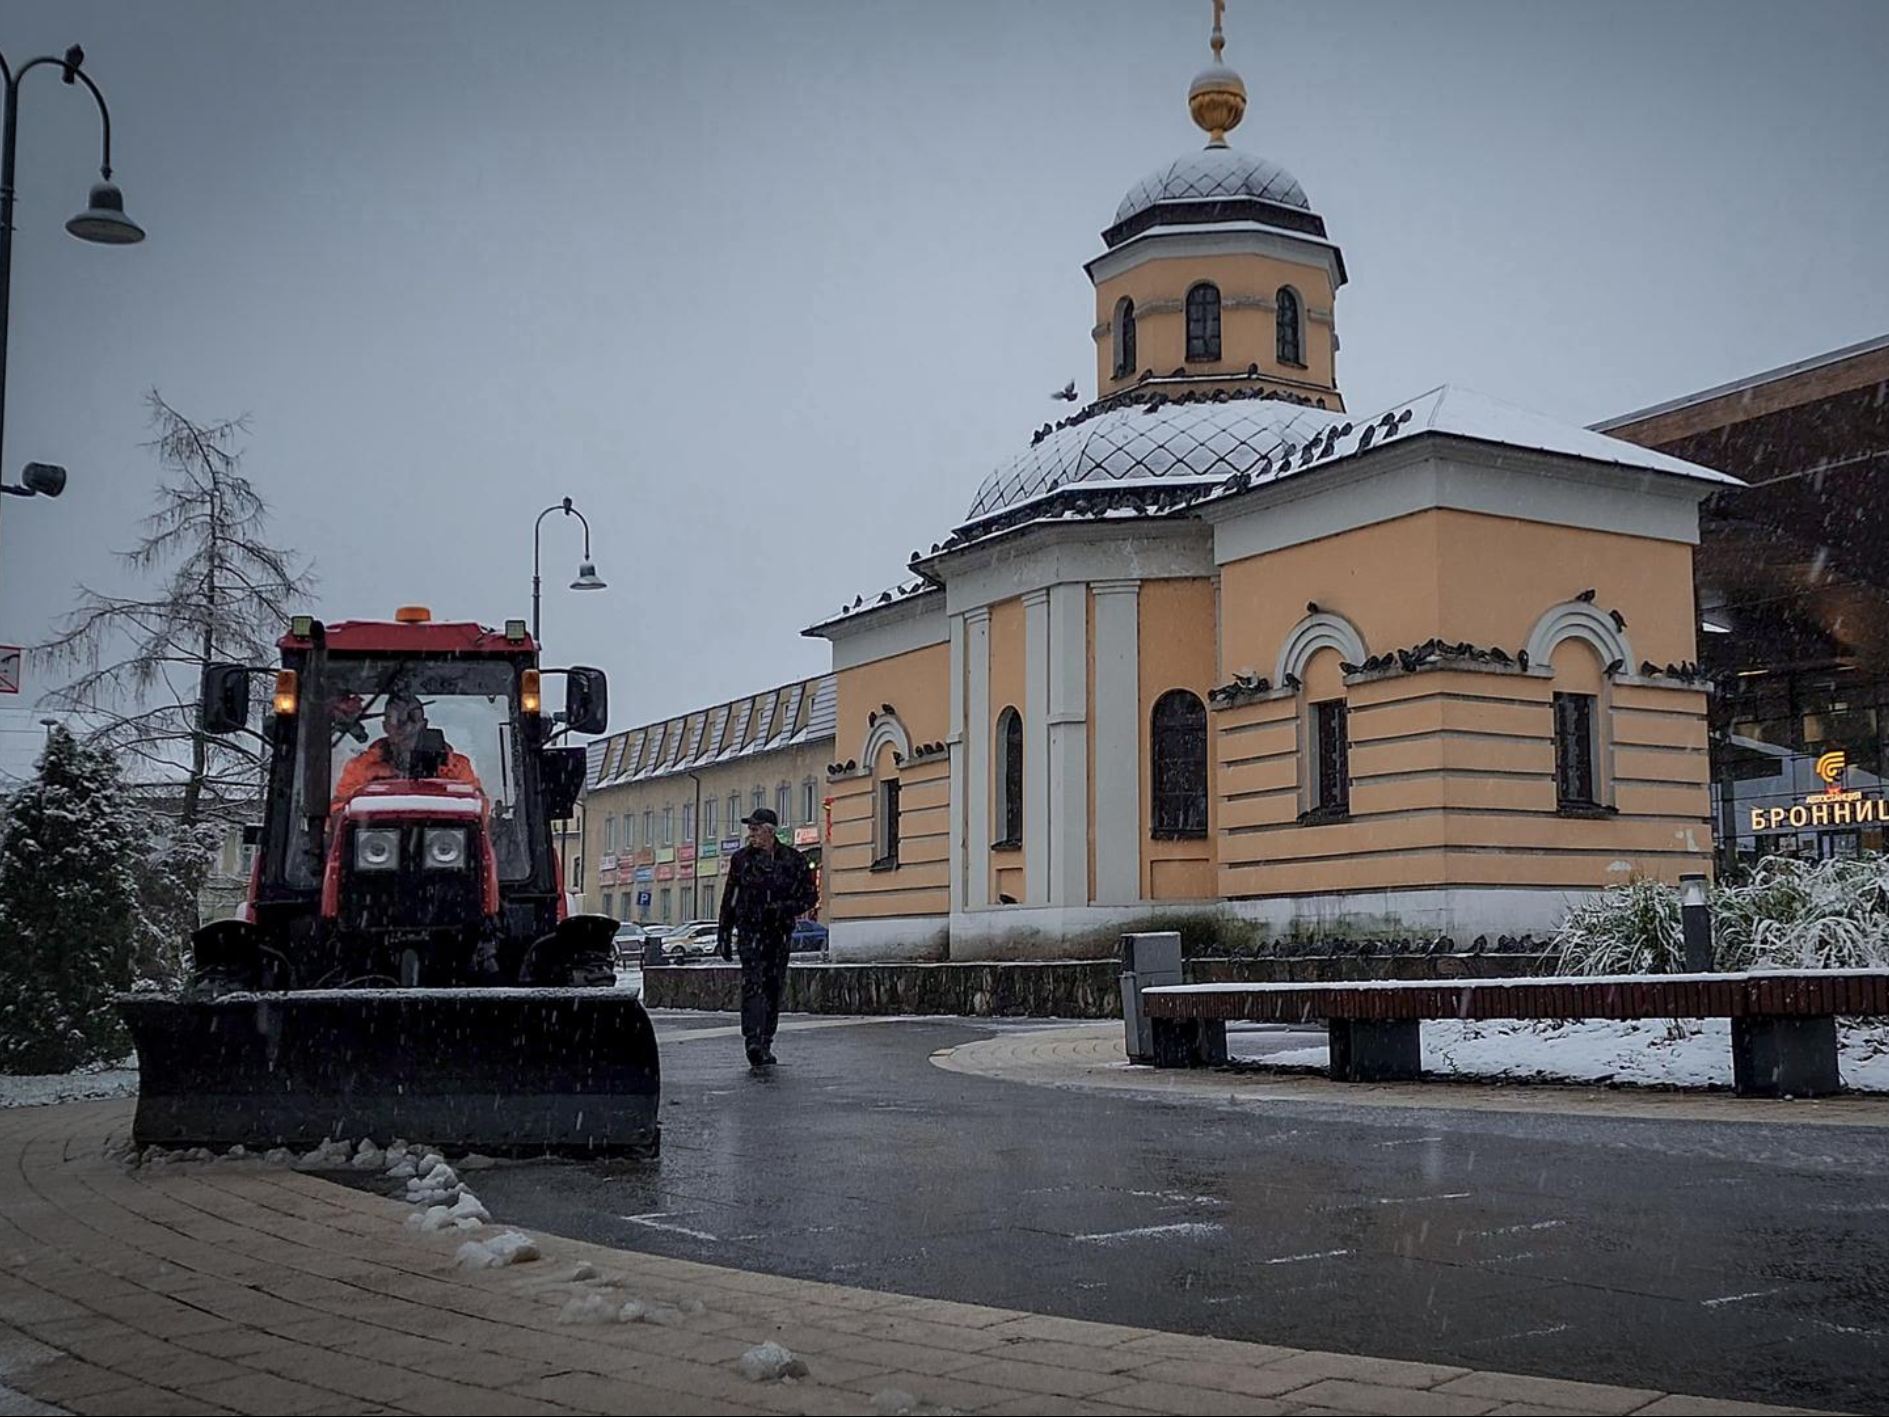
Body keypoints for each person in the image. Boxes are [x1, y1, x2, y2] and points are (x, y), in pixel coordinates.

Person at [717, 806, 818, 1067]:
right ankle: (752, 1039)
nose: (751, 834)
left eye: (755, 829)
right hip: (750, 933)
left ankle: (765, 1041)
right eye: (749, 830)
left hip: (778, 934)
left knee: (772, 988)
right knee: (753, 985)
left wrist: (783, 909)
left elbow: (809, 896)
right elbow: (730, 897)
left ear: (770, 832)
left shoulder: (792, 860)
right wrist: (724, 932)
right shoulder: (741, 860)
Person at [333, 690, 481, 806]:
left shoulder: (457, 768)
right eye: (396, 719)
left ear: (424, 724)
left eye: (413, 718)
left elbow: (478, 808)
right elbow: (338, 812)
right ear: (385, 726)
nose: (406, 727)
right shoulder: (362, 768)